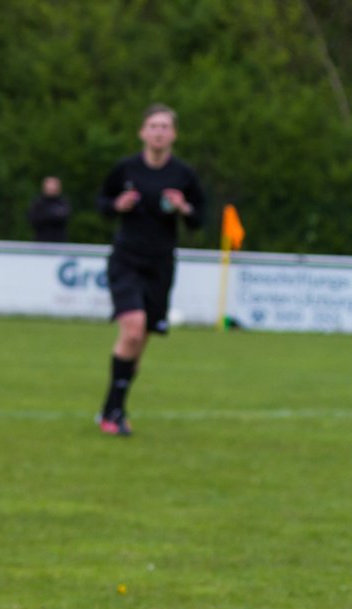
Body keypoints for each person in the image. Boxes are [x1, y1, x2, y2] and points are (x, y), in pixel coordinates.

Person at [95, 104, 206, 436]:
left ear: (173, 134)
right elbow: (101, 203)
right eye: (152, 126)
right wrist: (117, 205)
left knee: (137, 343)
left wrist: (184, 207)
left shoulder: (183, 175)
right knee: (132, 329)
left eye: (164, 127)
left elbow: (200, 218)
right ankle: (113, 413)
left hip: (160, 264)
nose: (158, 132)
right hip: (126, 259)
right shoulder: (125, 169)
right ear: (142, 132)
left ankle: (112, 407)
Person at [27, 175, 71, 242]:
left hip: (60, 242)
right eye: (50, 186)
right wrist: (54, 214)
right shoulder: (38, 202)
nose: (52, 188)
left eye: (54, 185)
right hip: (41, 242)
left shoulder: (62, 202)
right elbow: (33, 219)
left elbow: (65, 218)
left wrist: (47, 214)